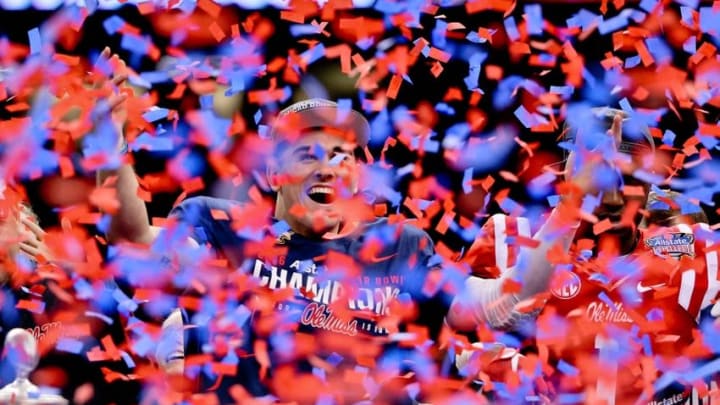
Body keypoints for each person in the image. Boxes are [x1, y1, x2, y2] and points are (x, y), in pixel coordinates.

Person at [463, 108, 719, 405]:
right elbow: (450, 346)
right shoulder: (512, 239)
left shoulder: (695, 254)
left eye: (626, 179)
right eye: (597, 178)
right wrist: (519, 374)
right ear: (567, 176)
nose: (611, 198)